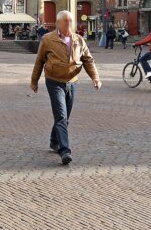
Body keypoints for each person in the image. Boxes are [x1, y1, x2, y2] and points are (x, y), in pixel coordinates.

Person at [30, 10, 101, 166]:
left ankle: (54, 141)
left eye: (70, 21)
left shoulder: (79, 40)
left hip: (71, 82)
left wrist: (95, 77)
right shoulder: (48, 39)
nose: (69, 24)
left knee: (64, 117)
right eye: (65, 21)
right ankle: (65, 151)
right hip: (54, 81)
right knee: (61, 115)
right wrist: (34, 81)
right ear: (57, 23)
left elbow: (88, 60)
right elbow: (39, 61)